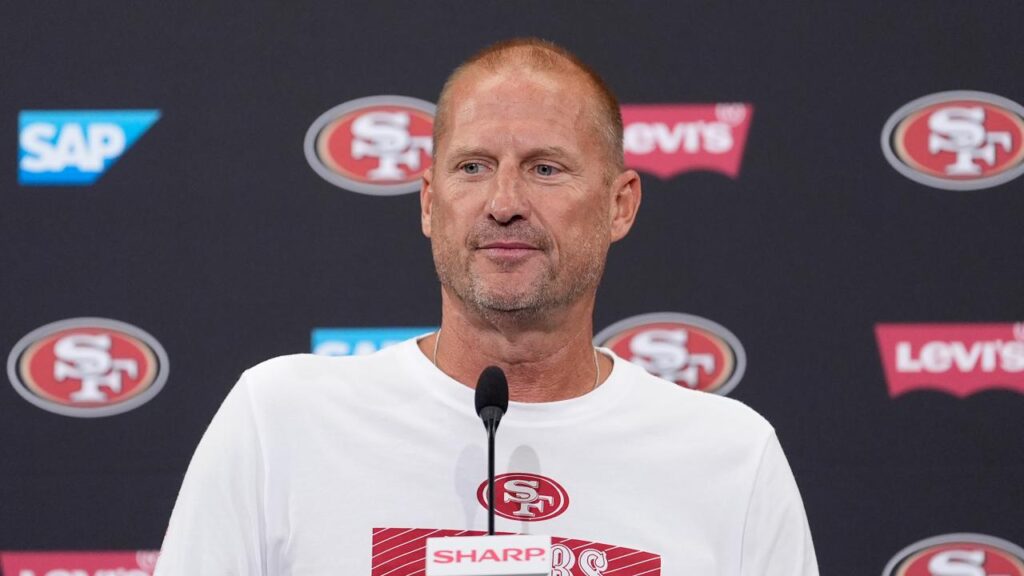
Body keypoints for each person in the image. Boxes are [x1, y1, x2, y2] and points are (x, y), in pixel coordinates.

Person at [155, 38, 818, 576]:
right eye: (472, 167)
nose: (504, 203)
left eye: (545, 168)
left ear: (620, 205)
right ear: (428, 202)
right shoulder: (281, 420)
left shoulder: (731, 458)